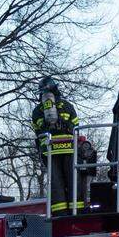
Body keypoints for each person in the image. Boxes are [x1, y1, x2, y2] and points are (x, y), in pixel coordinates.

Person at [31, 77, 83, 215]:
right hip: (67, 149)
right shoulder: (67, 106)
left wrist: (52, 127)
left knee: (56, 184)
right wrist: (64, 126)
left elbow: (37, 131)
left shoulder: (37, 110)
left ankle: (60, 213)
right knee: (73, 181)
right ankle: (76, 211)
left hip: (50, 151)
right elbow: (76, 127)